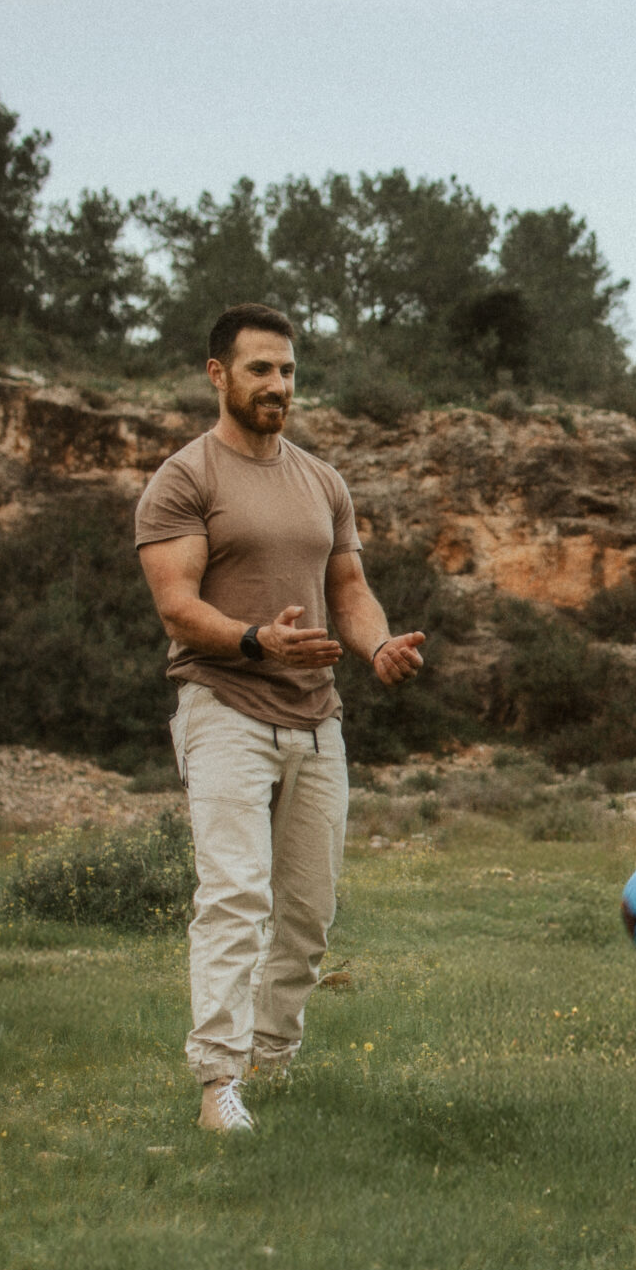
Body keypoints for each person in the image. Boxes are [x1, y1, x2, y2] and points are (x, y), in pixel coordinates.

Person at [134, 303, 427, 1133]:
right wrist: (256, 640)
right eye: (260, 368)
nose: (278, 385)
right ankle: (217, 1082)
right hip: (223, 705)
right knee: (236, 896)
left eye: (288, 370)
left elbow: (350, 592)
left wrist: (376, 647)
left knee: (307, 914)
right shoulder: (185, 479)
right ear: (218, 375)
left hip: (317, 717)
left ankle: (271, 1064)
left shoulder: (323, 482)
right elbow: (176, 607)